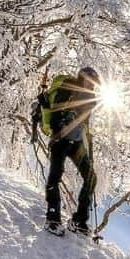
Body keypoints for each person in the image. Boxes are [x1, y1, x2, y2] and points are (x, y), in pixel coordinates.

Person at [32, 67, 101, 235]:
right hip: (60, 140)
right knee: (55, 177)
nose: (92, 85)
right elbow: (55, 114)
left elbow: (84, 122)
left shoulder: (89, 97)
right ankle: (52, 218)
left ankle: (79, 221)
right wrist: (62, 122)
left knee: (91, 177)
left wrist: (87, 137)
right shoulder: (67, 88)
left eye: (94, 83)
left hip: (76, 142)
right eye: (90, 81)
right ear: (82, 78)